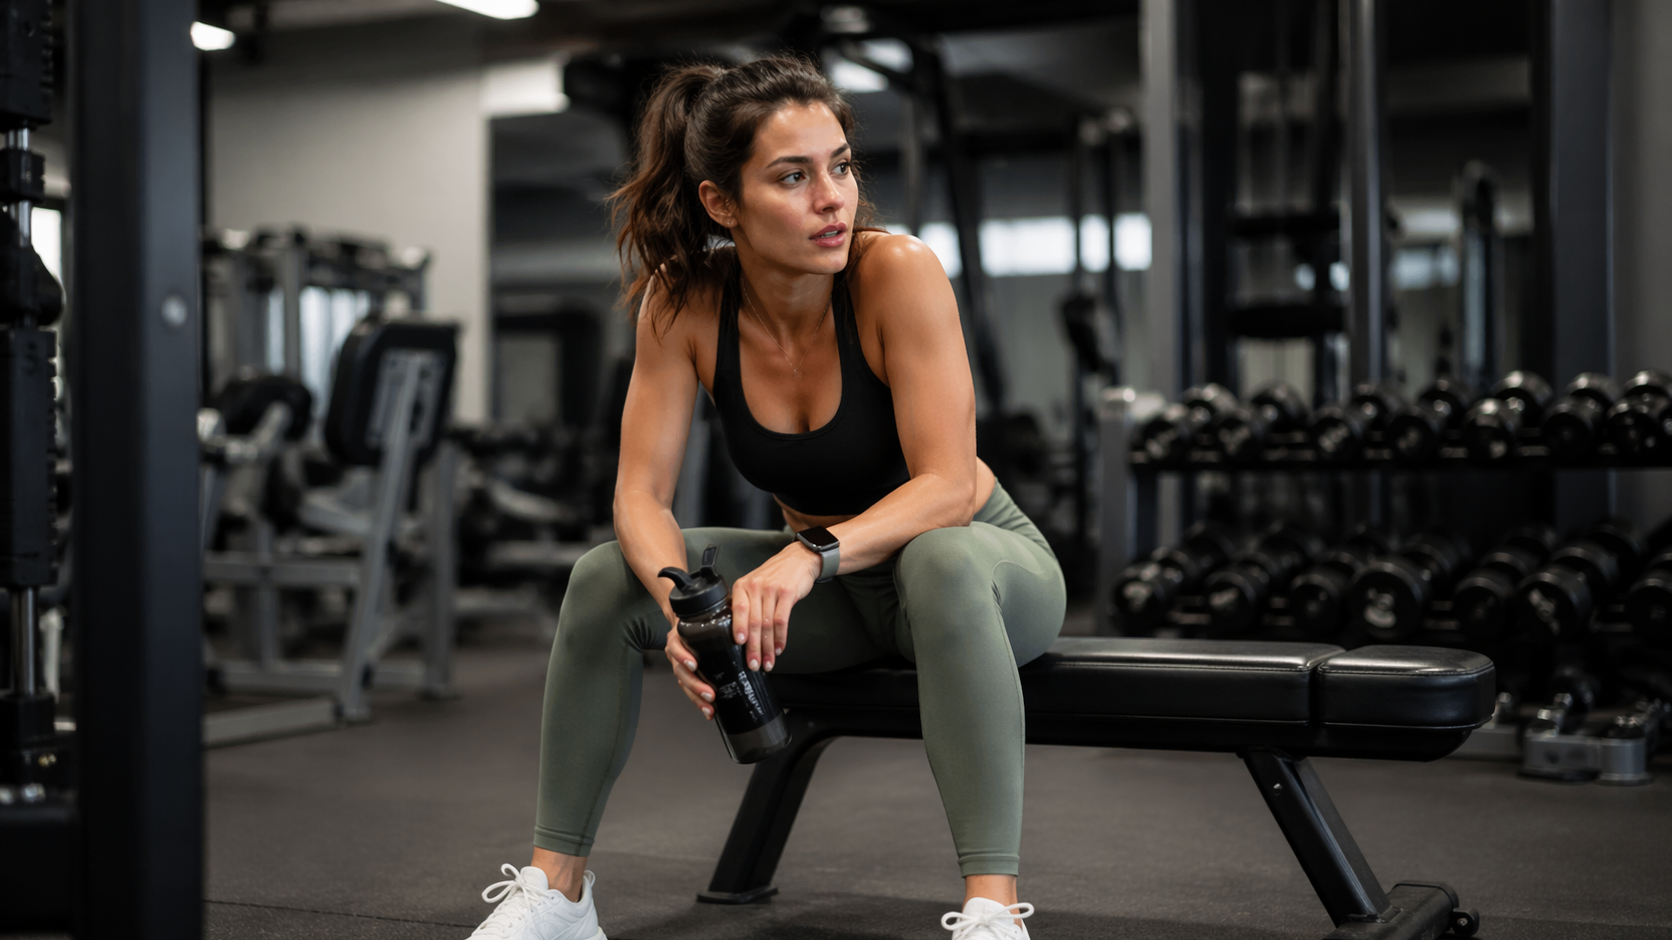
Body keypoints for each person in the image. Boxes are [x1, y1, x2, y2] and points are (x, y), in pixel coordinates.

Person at [465, 54, 1065, 940]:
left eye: (841, 167)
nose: (834, 199)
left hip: (983, 575)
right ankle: (559, 894)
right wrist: (685, 611)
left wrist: (809, 554)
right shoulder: (683, 303)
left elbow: (945, 487)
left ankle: (992, 910)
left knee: (938, 557)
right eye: (793, 177)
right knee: (604, 576)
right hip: (841, 599)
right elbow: (639, 495)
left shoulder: (896, 272)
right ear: (722, 203)